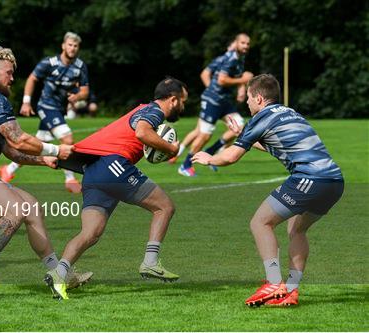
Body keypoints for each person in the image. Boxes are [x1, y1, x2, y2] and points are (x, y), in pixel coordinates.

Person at [0, 47, 92, 299]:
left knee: (32, 207)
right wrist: (56, 150)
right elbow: (20, 139)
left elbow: (12, 151)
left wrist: (44, 161)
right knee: (16, 209)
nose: (13, 79)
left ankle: (59, 273)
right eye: (9, 73)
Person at [192, 74, 344, 307]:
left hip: (310, 179)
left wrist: (210, 158)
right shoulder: (290, 113)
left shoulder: (261, 117)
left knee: (260, 222)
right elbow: (275, 144)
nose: (248, 103)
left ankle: (274, 283)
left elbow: (231, 157)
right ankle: (290, 292)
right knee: (296, 230)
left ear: (260, 98)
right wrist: (242, 133)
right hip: (334, 182)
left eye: (250, 99)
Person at [44, 77, 187, 300]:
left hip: (94, 171)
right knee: (164, 207)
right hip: (114, 166)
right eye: (183, 101)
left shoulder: (141, 109)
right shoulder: (154, 111)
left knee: (91, 233)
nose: (183, 106)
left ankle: (59, 273)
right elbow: (142, 133)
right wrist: (171, 149)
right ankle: (150, 262)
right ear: (173, 100)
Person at [0, 32, 89, 193]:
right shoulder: (49, 63)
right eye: (70, 44)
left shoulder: (80, 66)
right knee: (67, 138)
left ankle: (9, 170)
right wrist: (26, 101)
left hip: (59, 110)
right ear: (63, 46)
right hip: (46, 105)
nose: (72, 48)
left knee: (38, 142)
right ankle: (70, 179)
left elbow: (85, 91)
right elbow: (32, 78)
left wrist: (78, 96)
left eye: (75, 46)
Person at [178, 33, 253, 177]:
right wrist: (243, 80)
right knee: (204, 135)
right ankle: (185, 165)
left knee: (239, 126)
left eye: (247, 44)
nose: (245, 46)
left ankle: (211, 151)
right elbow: (221, 80)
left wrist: (241, 87)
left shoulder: (240, 58)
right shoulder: (230, 58)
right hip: (213, 101)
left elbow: (237, 76)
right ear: (236, 43)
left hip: (224, 101)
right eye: (242, 43)